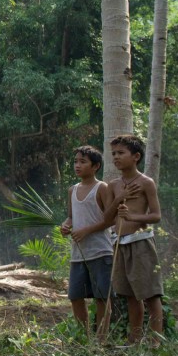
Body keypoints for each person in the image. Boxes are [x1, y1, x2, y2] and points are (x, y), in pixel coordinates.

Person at [102, 135, 164, 346]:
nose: (116, 158)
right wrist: (119, 199)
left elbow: (156, 215)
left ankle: (156, 341)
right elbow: (107, 218)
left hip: (141, 242)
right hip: (119, 243)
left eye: (121, 153)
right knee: (130, 295)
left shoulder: (146, 182)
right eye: (113, 154)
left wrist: (133, 217)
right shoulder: (113, 185)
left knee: (150, 294)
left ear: (136, 156)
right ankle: (134, 339)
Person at [59, 145, 114, 338]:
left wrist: (86, 231)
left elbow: (110, 219)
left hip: (100, 251)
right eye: (75, 161)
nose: (77, 165)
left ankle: (101, 338)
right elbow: (71, 217)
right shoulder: (72, 190)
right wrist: (66, 226)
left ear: (95, 166)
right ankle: (83, 337)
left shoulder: (102, 188)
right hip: (78, 253)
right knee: (75, 296)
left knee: (101, 297)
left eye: (83, 162)